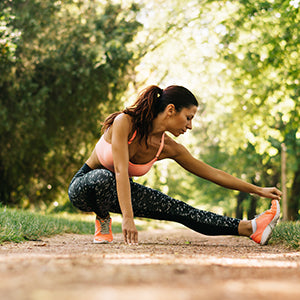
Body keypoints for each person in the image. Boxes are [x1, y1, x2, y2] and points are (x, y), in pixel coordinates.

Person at [68, 85, 282, 246]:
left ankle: (251, 228)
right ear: (171, 110)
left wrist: (258, 190)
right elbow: (120, 170)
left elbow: (212, 173)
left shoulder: (169, 147)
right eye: (188, 118)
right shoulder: (125, 122)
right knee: (105, 177)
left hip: (119, 191)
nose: (190, 126)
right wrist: (128, 218)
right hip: (85, 188)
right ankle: (103, 219)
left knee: (179, 209)